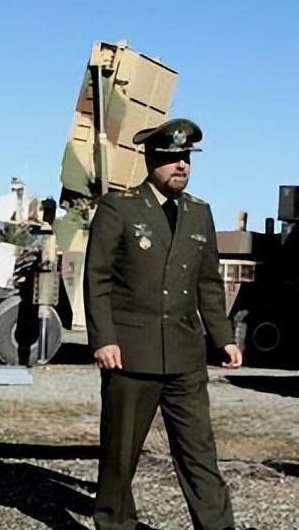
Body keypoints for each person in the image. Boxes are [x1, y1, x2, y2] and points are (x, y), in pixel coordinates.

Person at [84, 118, 249, 530]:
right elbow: (97, 278)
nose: (182, 166)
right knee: (120, 455)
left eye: (186, 158)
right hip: (130, 355)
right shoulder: (119, 209)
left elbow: (208, 283)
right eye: (172, 158)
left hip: (184, 355)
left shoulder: (199, 213)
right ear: (151, 160)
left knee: (199, 454)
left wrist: (224, 337)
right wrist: (104, 338)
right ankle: (115, 524)